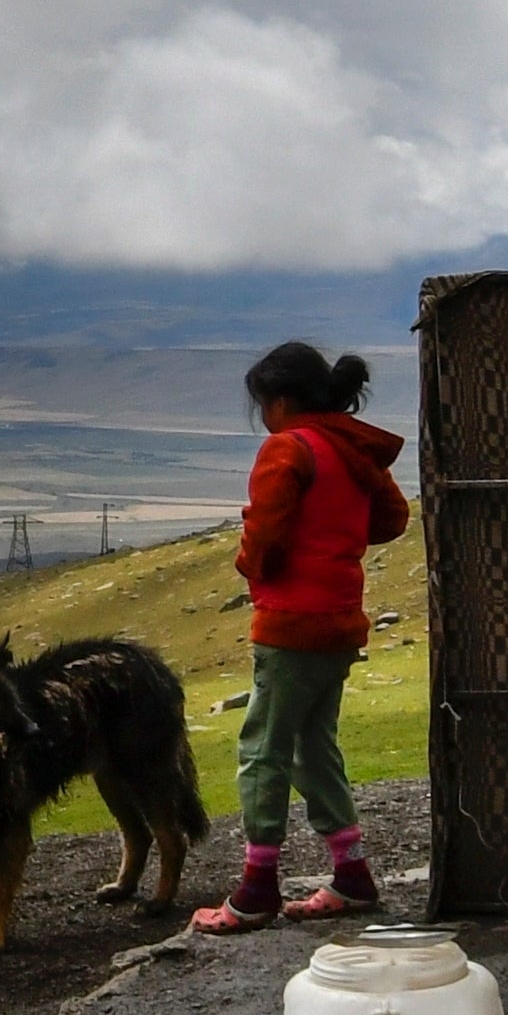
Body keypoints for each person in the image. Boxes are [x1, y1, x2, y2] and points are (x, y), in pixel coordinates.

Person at [193, 338, 409, 932]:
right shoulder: (350, 448)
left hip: (291, 624)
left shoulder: (287, 448)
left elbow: (263, 537)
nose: (264, 417)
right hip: (340, 621)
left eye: (264, 405)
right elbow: (392, 518)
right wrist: (337, 540)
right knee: (313, 747)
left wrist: (252, 565)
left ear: (281, 401)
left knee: (262, 749)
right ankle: (352, 875)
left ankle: (257, 889)